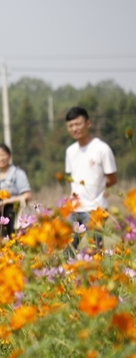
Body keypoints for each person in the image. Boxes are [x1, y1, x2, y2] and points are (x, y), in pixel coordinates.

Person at [64, 106, 117, 252]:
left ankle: (100, 275)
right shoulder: (70, 151)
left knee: (95, 250)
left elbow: (112, 178)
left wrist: (101, 188)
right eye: (71, 125)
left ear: (88, 123)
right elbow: (71, 180)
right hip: (75, 209)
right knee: (67, 250)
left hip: (95, 209)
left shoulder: (102, 149)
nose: (74, 128)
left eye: (78, 124)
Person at [0, 143, 31, 240]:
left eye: (3, 155)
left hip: (14, 212)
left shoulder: (17, 173)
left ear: (9, 156)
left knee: (16, 241)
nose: (0, 158)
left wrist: (7, 201)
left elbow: (27, 195)